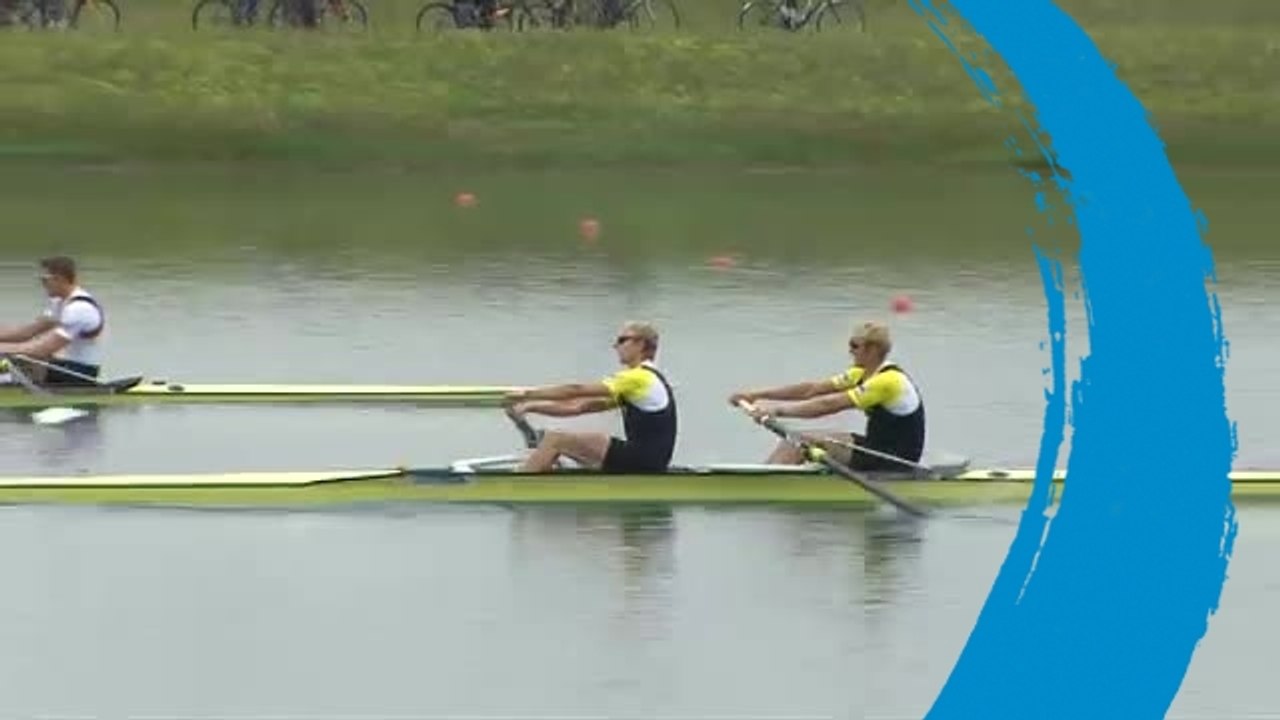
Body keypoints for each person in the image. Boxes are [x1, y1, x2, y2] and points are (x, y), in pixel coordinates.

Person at [729, 321, 925, 471]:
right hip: (875, 449)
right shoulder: (860, 374)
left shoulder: (889, 381)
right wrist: (756, 395)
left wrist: (775, 411)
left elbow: (828, 405)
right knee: (798, 441)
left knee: (797, 442)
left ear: (872, 349)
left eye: (854, 345)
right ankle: (774, 478)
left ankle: (762, 485)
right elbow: (811, 390)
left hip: (896, 460)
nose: (850, 350)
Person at [504, 321, 678, 473]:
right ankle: (536, 475)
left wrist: (528, 395)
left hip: (642, 461)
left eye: (622, 340)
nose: (615, 346)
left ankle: (516, 485)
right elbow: (579, 407)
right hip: (649, 460)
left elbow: (576, 390)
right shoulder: (643, 382)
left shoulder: (639, 378)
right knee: (561, 440)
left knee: (555, 440)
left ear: (640, 344)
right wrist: (531, 407)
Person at [0, 256, 106, 387]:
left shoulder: (79, 309)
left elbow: (42, 349)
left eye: (44, 280)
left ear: (59, 279)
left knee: (22, 356)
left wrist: (4, 348)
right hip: (60, 365)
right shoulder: (59, 302)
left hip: (79, 372)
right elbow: (26, 333)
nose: (42, 285)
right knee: (17, 354)